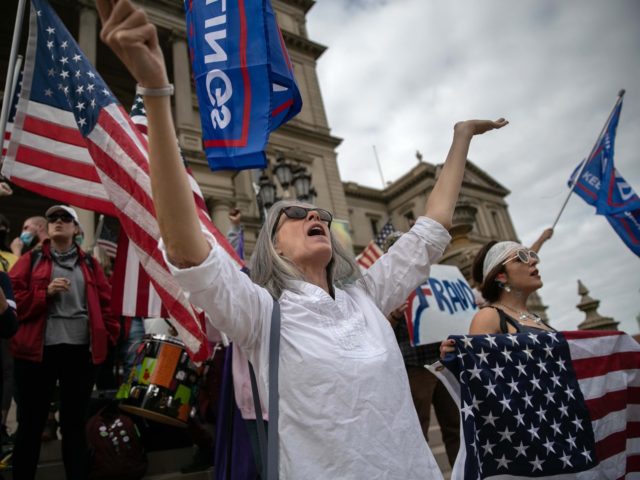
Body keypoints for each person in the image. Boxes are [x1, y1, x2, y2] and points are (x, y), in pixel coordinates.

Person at [97, 1, 507, 476]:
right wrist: (155, 90)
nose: (313, 211)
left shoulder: (368, 296)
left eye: (319, 212)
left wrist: (460, 139)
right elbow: (188, 248)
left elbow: (432, 229)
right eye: (294, 213)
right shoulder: (259, 313)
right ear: (271, 247)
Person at [9, 205, 119, 480]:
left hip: (79, 353)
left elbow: (108, 307)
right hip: (37, 353)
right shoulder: (31, 260)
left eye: (65, 218)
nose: (58, 222)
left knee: (74, 425)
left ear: (76, 228)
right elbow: (11, 302)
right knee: (31, 425)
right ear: (47, 227)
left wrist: (109, 339)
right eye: (53, 218)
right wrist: (43, 293)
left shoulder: (91, 265)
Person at [384, 232, 460, 468]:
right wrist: (395, 315)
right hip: (414, 367)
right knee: (418, 431)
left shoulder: (434, 278)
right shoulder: (386, 284)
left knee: (455, 426)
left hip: (442, 363)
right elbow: (378, 328)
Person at [440, 235, 556, 360]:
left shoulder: (534, 317)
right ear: (501, 277)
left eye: (530, 256)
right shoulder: (489, 317)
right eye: (519, 259)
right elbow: (480, 370)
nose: (533, 261)